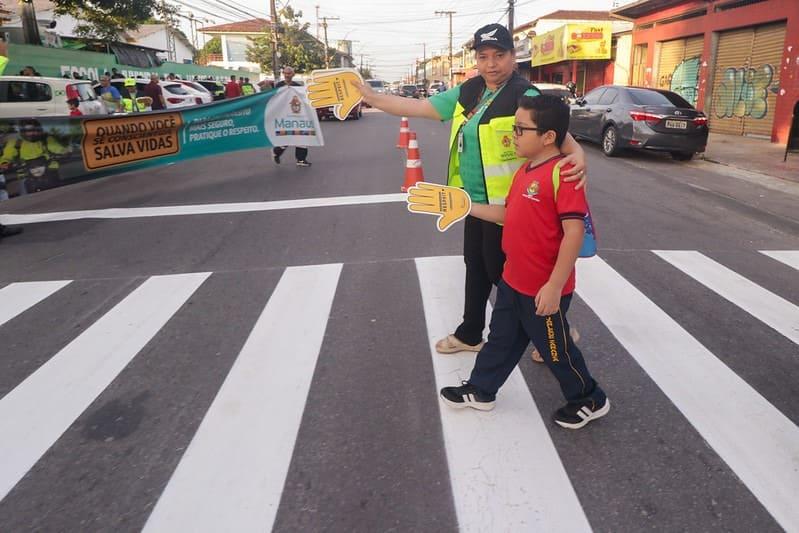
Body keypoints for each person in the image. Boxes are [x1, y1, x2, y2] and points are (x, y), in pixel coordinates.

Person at [354, 23, 587, 356]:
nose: (491, 64)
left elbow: (559, 137)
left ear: (513, 58)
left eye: (499, 56)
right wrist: (371, 96)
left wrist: (578, 156)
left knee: (500, 271)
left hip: (512, 205)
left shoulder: (526, 94)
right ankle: (470, 332)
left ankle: (553, 331)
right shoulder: (471, 90)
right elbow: (419, 108)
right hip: (473, 200)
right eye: (483, 57)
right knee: (475, 264)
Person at [439, 95, 609, 429]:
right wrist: (465, 207)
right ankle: (482, 389)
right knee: (501, 340)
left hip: (543, 290)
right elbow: (507, 214)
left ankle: (589, 397)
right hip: (513, 280)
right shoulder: (523, 171)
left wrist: (554, 285)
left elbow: (573, 232)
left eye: (520, 129)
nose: (512, 135)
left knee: (556, 351)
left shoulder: (563, 173)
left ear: (548, 136)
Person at [0, 119, 68, 194]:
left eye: (35, 130)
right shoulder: (15, 142)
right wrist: (4, 163)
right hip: (25, 175)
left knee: (61, 193)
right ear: (23, 132)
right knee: (24, 196)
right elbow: (6, 156)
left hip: (49, 171)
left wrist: (64, 152)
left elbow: (57, 148)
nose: (32, 133)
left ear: (39, 130)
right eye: (29, 131)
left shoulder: (46, 139)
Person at [273, 66, 312, 167]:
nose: (287, 75)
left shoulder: (298, 86)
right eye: (285, 73)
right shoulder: (278, 85)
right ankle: (276, 152)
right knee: (285, 138)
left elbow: (304, 100)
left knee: (301, 137)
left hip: (296, 116)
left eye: (289, 73)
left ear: (293, 74)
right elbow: (273, 99)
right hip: (283, 116)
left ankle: (301, 159)